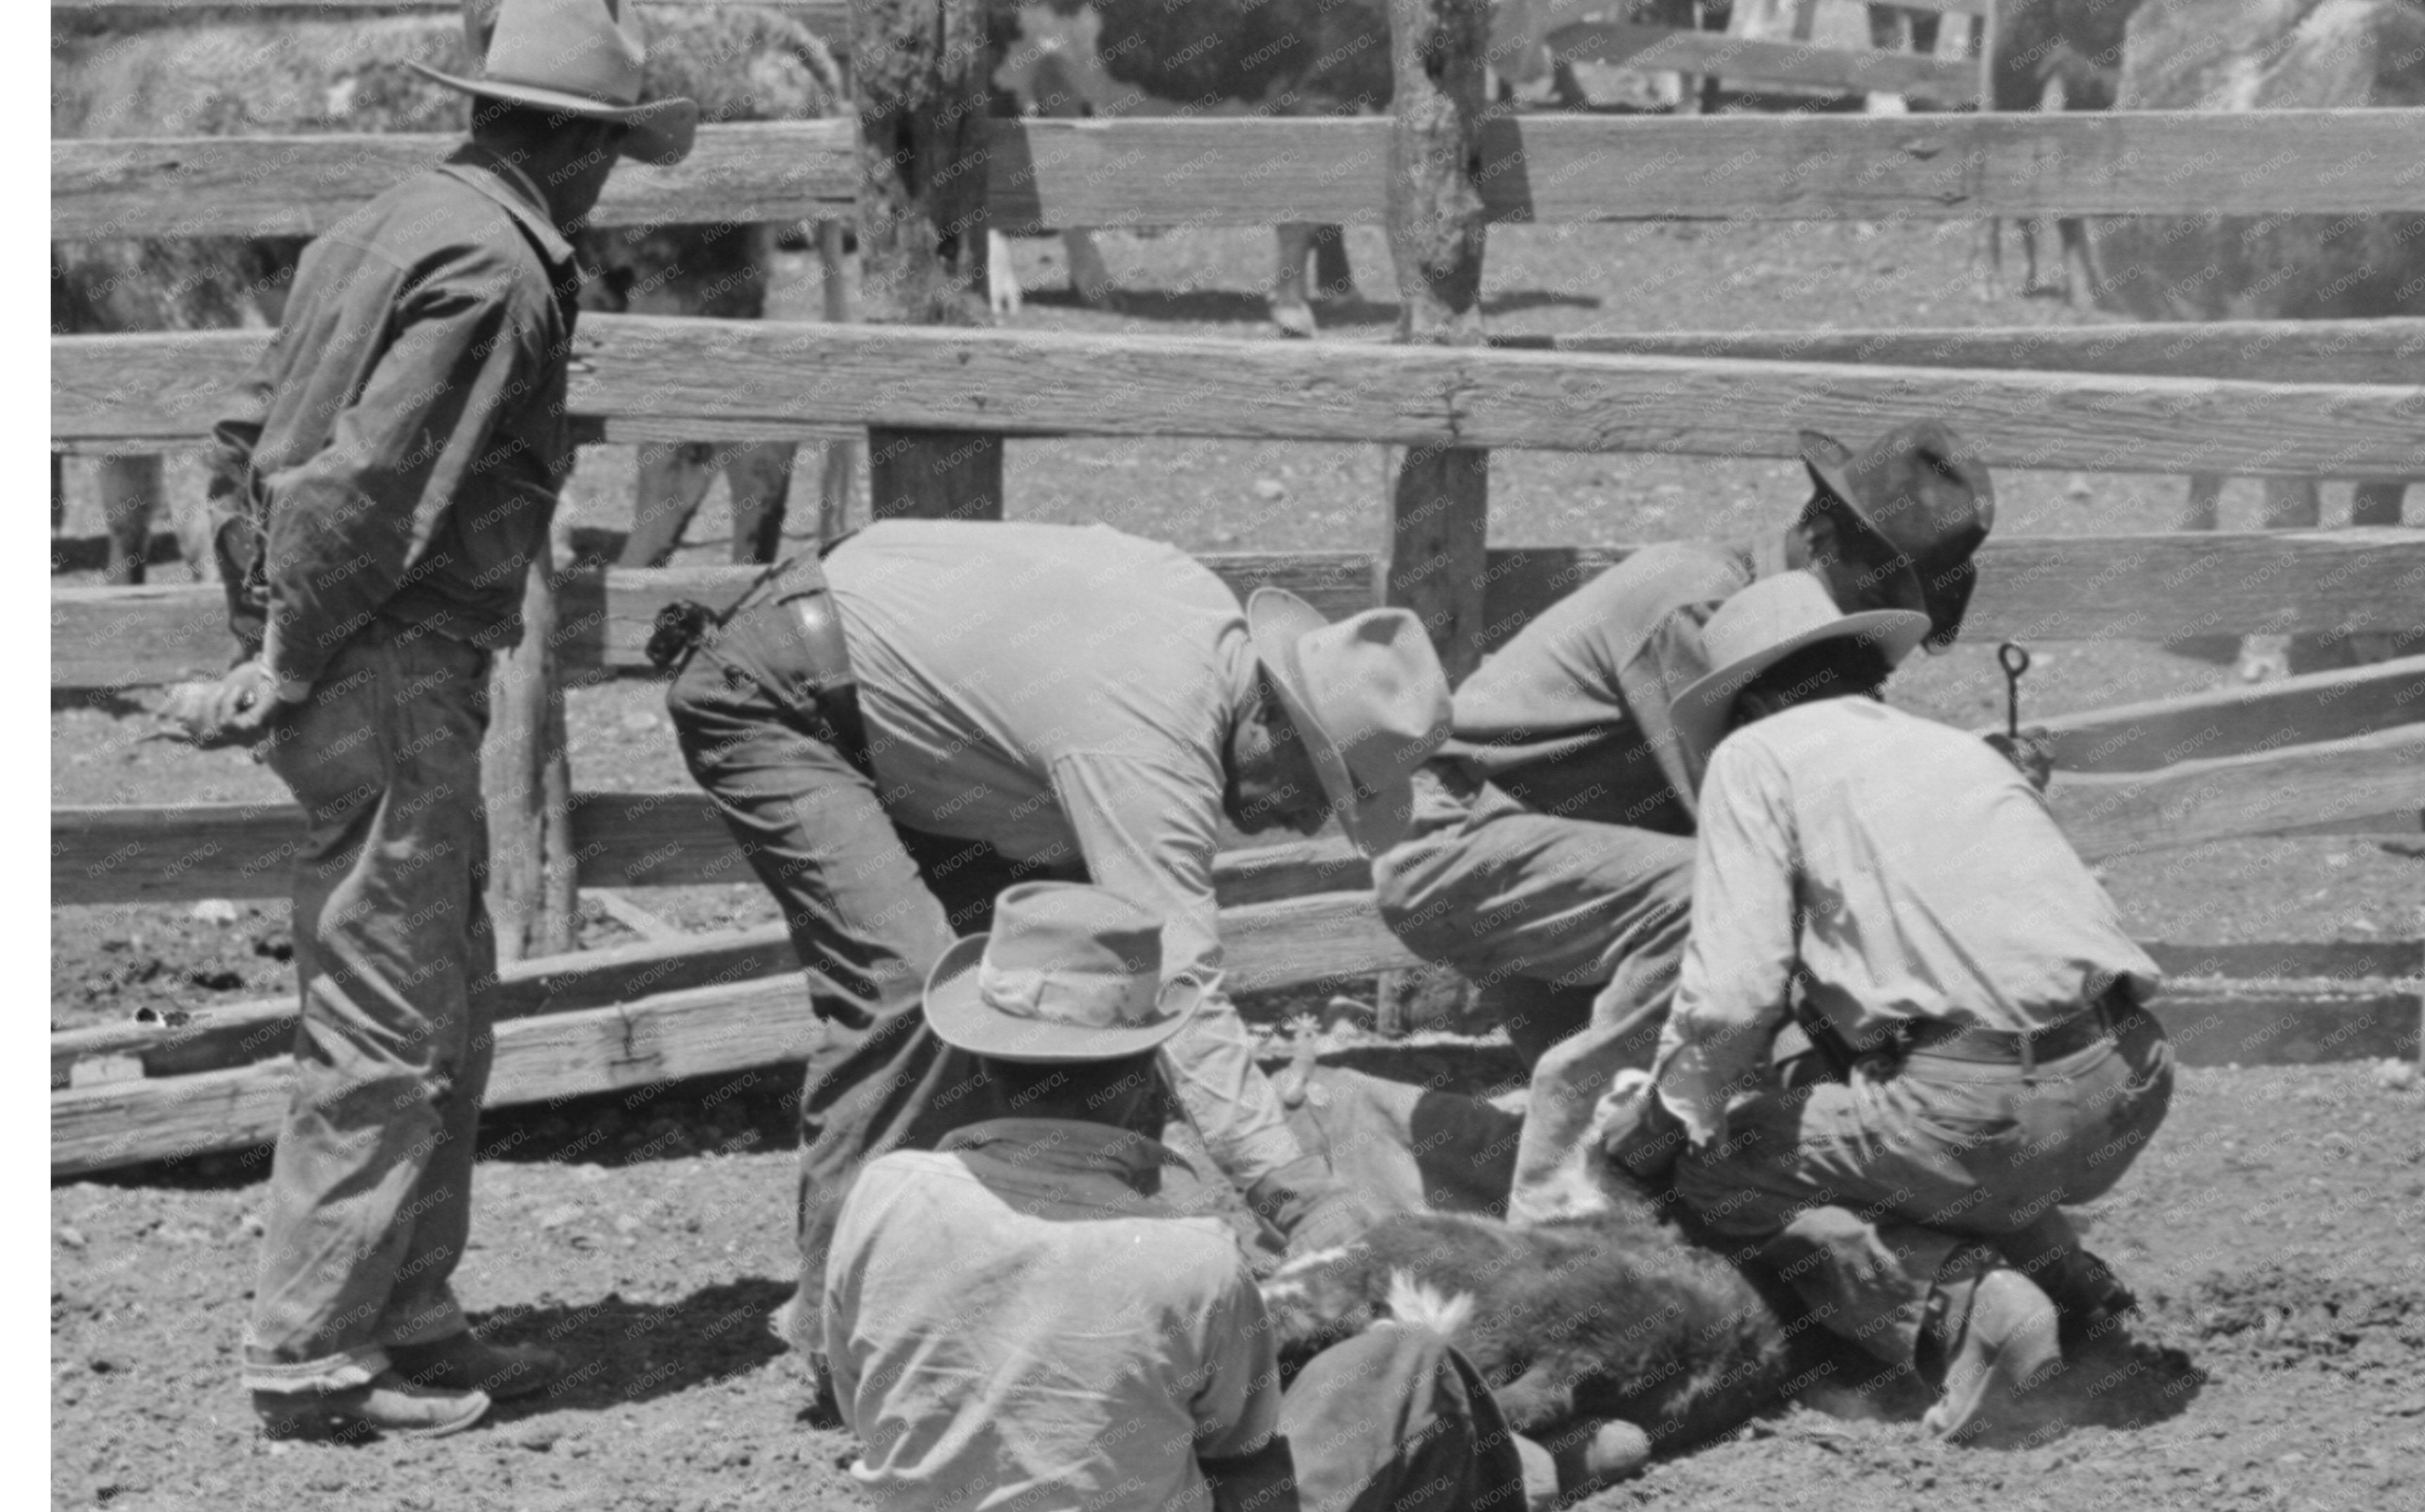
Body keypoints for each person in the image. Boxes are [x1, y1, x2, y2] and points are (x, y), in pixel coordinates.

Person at [167, 0, 702, 1441]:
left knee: (433, 988)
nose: (605, 185)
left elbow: (244, 437)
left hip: (363, 654)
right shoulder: (500, 272)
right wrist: (288, 653)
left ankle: (406, 1305)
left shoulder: (385, 226)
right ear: (580, 147)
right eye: (607, 157)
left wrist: (265, 629)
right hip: (393, 660)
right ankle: (318, 1343)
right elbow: (364, 486)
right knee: (393, 1004)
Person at [825, 882, 1650, 1512]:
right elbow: (1238, 1442)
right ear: (1148, 1075)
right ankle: (1519, 1484)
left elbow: (862, 1388)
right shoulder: (1188, 1255)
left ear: (976, 1061)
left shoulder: (885, 1191)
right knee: (1401, 1367)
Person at [663, 525, 1447, 1373]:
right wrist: (1296, 1195)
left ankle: (1061, 1277)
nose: (1304, 821)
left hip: (912, 717)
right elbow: (1187, 989)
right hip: (781, 697)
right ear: (1269, 720)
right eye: (1313, 788)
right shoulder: (1149, 736)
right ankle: (843, 1343)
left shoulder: (1192, 653)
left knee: (1087, 987)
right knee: (910, 989)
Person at [1373, 421, 1996, 1225]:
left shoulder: (1784, 633)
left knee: (1672, 1156)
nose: (1876, 646)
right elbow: (1762, 846)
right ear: (1817, 536)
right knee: (1725, 918)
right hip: (1457, 845)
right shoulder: (1702, 608)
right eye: (1875, 603)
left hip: (1576, 870)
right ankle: (1558, 1216)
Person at [1609, 571, 2173, 1446]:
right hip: (2129, 1079)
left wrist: (1673, 1117)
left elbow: (1734, 992)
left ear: (1748, 704)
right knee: (1899, 1103)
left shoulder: (1756, 758)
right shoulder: (1956, 749)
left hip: (1979, 1114)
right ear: (1861, 668)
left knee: (1722, 1168)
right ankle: (2065, 1276)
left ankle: (1969, 1306)